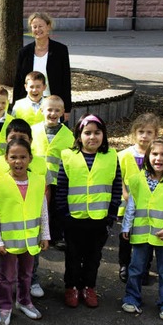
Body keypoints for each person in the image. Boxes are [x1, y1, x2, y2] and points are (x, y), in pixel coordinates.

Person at [56, 114, 122, 308]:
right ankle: (72, 287)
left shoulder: (111, 156)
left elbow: (116, 187)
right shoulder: (68, 156)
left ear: (104, 135)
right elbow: (62, 187)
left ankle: (89, 286)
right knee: (73, 256)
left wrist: (111, 216)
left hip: (99, 219)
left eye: (97, 133)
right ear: (79, 135)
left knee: (94, 257)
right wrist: (64, 216)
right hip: (74, 219)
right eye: (87, 133)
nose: (92, 137)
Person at [121, 137, 163, 321]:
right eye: (155, 153)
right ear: (147, 156)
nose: (158, 158)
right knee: (135, 268)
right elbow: (132, 207)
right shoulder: (136, 180)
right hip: (142, 234)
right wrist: (126, 226)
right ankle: (132, 298)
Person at [0, 139, 50, 325]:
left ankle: (24, 301)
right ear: (6, 159)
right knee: (6, 277)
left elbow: (43, 210)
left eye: (23, 157)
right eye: (13, 157)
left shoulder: (38, 181)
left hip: (30, 241)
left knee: (27, 274)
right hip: (8, 242)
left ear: (30, 158)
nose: (18, 161)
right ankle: (5, 306)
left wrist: (45, 235)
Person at [117, 113, 161, 283]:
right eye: (141, 131)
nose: (144, 136)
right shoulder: (124, 155)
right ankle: (124, 264)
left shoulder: (157, 155)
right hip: (127, 203)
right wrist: (125, 193)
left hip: (148, 206)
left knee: (146, 237)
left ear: (155, 135)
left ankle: (144, 267)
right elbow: (117, 176)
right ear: (134, 133)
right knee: (126, 236)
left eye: (149, 132)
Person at [30, 95, 74, 250]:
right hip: (37, 178)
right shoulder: (34, 130)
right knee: (37, 207)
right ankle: (36, 234)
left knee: (56, 209)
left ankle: (56, 236)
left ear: (62, 112)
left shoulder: (68, 135)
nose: (53, 114)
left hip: (58, 180)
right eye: (49, 110)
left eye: (57, 110)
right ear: (42, 110)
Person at [13, 12, 72, 122]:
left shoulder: (60, 50)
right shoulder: (24, 52)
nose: (37, 29)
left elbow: (66, 80)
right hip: (30, 105)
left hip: (53, 105)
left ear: (48, 27)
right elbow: (18, 81)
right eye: (34, 27)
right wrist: (15, 106)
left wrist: (67, 108)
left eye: (41, 26)